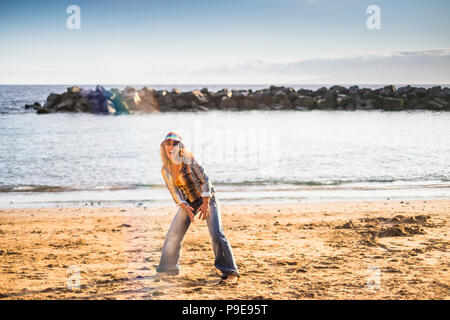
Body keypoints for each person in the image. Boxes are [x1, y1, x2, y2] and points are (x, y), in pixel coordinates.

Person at [156, 132, 240, 283]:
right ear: (163, 147)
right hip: (188, 201)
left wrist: (206, 202)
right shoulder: (165, 168)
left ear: (180, 146)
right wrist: (183, 205)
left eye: (175, 143)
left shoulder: (189, 159)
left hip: (208, 198)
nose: (171, 146)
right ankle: (168, 269)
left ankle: (230, 272)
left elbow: (205, 180)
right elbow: (173, 190)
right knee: (172, 235)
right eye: (168, 143)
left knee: (217, 234)